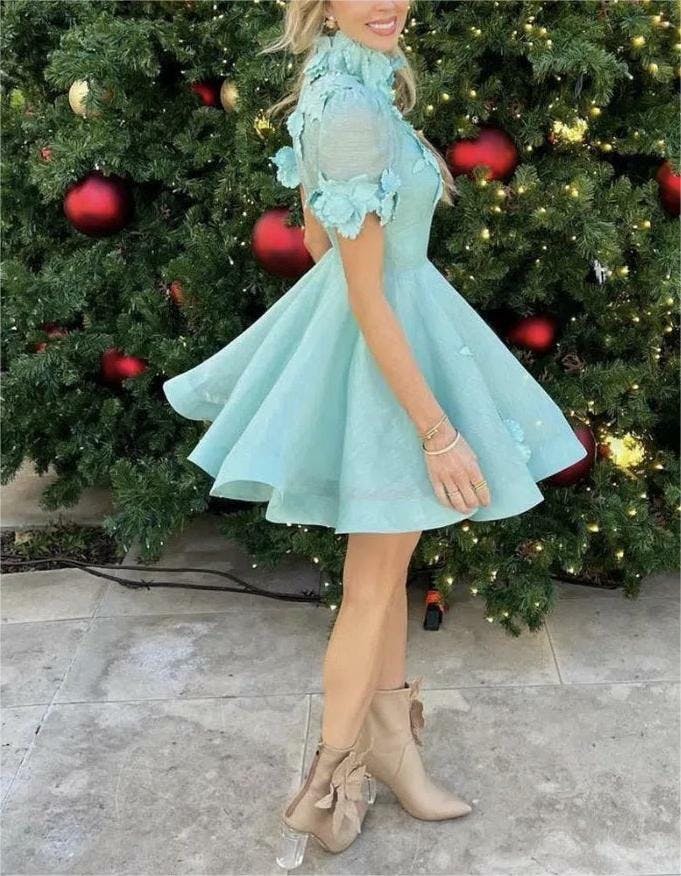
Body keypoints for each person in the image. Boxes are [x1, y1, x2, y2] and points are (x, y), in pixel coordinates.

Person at [162, 0, 589, 868]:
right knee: (368, 587)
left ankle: (391, 749)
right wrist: (432, 429)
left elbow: (320, 239)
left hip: (392, 343)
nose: (389, 3)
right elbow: (358, 284)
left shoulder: (346, 83)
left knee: (388, 570)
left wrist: (373, 336)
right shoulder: (350, 108)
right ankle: (327, 784)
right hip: (393, 357)